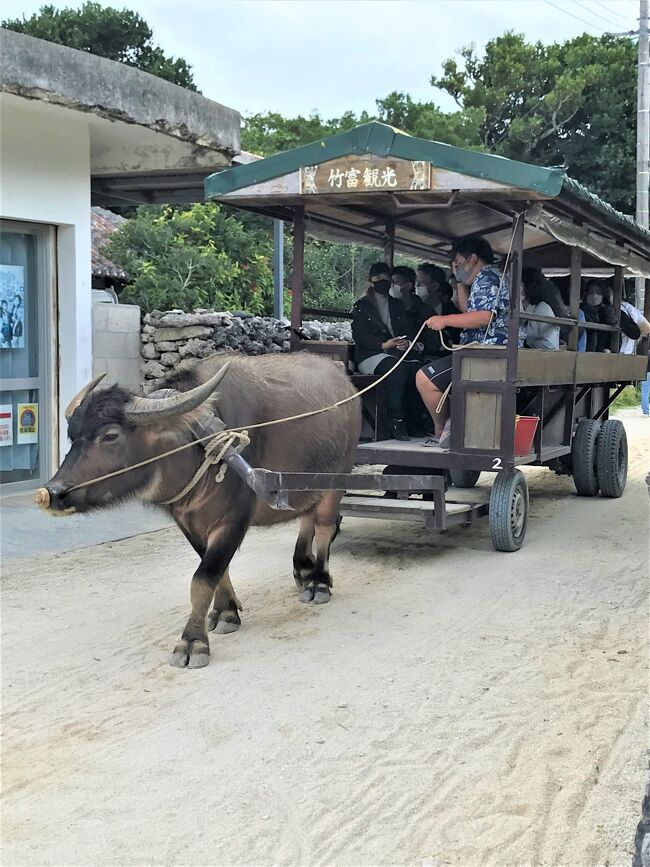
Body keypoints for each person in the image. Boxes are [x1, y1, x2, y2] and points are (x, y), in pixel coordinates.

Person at [416, 236, 518, 449]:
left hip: (486, 352)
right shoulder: (485, 278)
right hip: (478, 350)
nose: (456, 267)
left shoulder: (487, 277)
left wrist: (444, 320)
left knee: (425, 379)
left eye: (458, 262)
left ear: (472, 259)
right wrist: (460, 282)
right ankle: (450, 428)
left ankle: (443, 431)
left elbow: (483, 317)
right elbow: (468, 311)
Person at [351, 262, 420, 440]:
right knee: (396, 369)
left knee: (417, 370)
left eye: (386, 278)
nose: (383, 281)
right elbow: (360, 336)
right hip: (370, 355)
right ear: (371, 280)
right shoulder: (362, 305)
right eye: (379, 278)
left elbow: (407, 329)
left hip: (396, 352)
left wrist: (405, 342)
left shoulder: (397, 305)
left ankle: (415, 421)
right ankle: (395, 420)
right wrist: (383, 345)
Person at [581, 281, 640, 352]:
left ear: (603, 295)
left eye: (598, 292)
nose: (594, 295)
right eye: (591, 292)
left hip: (608, 355)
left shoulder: (611, 311)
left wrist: (614, 319)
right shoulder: (580, 311)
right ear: (586, 294)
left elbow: (635, 333)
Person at [521, 274, 560, 350]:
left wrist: (525, 344)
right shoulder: (517, 308)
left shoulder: (543, 309)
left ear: (527, 287)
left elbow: (550, 344)